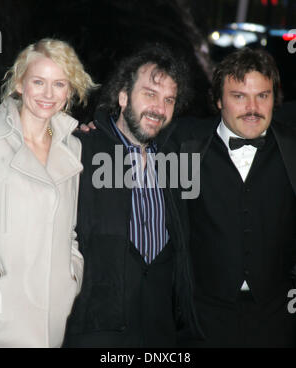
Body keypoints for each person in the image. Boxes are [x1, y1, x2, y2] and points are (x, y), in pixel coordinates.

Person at [63, 44, 203, 348]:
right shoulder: (81, 148)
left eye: (169, 100)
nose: (159, 108)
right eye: (149, 94)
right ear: (124, 97)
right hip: (96, 330)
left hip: (160, 332)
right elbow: (41, 135)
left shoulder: (176, 159)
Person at [170, 47, 296, 347]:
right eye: (239, 96)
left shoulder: (292, 147)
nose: (252, 107)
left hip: (277, 319)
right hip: (203, 319)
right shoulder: (185, 145)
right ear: (218, 101)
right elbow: (133, 134)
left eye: (262, 96)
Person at [0, 38, 95, 347]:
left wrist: (71, 276)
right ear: (20, 84)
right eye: (38, 82)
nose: (48, 94)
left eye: (59, 84)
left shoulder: (72, 146)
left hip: (53, 311)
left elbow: (70, 229)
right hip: (4, 309)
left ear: (69, 91)